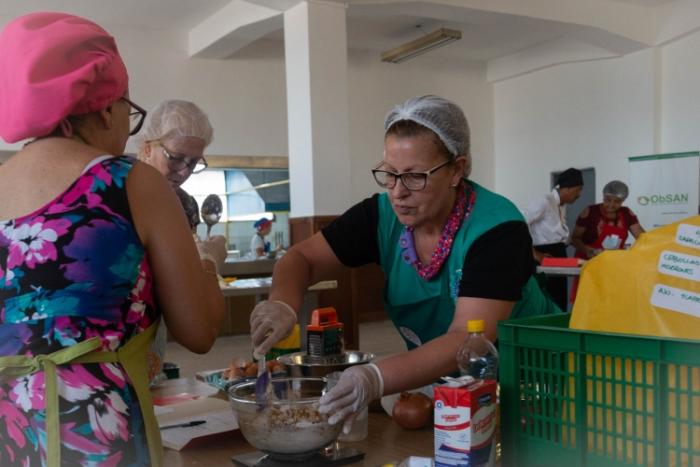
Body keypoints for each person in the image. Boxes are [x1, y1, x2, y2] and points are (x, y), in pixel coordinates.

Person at [248, 95, 560, 433]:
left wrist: (375, 376)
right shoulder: (381, 217)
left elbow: (466, 338)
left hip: (533, 384)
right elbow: (302, 258)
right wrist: (283, 301)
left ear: (457, 169)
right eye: (389, 174)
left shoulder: (497, 228)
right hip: (451, 386)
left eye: (414, 176)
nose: (398, 191)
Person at [0, 12, 224, 466]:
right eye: (129, 109)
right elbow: (199, 331)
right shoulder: (130, 182)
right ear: (106, 105)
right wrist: (208, 265)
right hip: (101, 433)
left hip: (12, 430)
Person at [136, 99, 227, 380]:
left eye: (194, 162)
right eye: (175, 157)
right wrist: (209, 262)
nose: (184, 171)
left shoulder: (184, 204)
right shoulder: (120, 189)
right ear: (148, 147)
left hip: (153, 330)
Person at [522, 167, 583, 310]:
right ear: (567, 188)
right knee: (547, 299)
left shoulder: (562, 205)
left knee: (560, 299)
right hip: (543, 254)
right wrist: (534, 253)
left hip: (558, 251)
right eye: (578, 189)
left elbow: (556, 233)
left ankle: (559, 330)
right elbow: (520, 222)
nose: (579, 194)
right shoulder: (544, 201)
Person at [571, 180, 644, 259]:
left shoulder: (626, 213)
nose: (611, 205)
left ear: (623, 201)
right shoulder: (590, 211)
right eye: (608, 200)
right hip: (587, 261)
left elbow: (642, 237)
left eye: (617, 201)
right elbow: (575, 238)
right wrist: (588, 250)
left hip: (611, 262)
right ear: (603, 197)